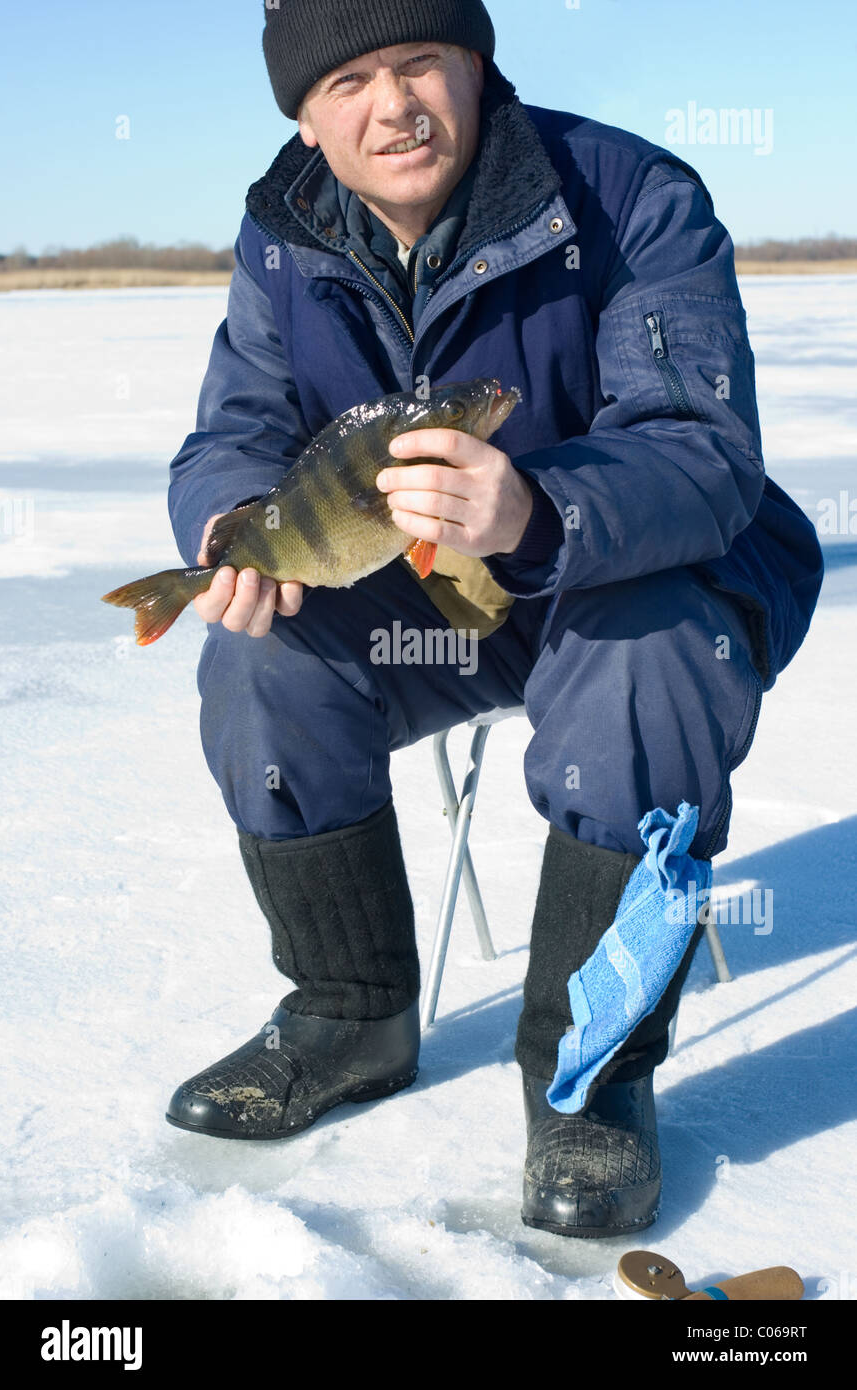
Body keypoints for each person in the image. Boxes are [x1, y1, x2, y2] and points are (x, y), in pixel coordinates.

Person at [164, 0, 823, 1238]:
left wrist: (537, 505)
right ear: (303, 115)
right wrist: (232, 520)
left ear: (476, 66)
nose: (391, 103)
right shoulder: (279, 239)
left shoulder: (629, 194)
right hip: (420, 594)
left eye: (420, 60)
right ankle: (346, 1009)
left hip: (635, 575)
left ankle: (588, 1079)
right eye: (349, 77)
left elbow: (701, 452)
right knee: (259, 664)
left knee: (647, 665)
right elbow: (232, 434)